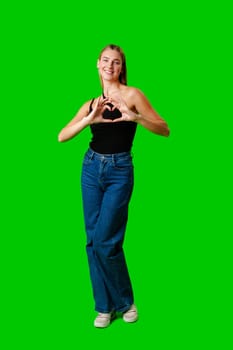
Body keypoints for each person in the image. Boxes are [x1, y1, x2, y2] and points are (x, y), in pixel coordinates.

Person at [58, 44, 170, 328]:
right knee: (93, 240)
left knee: (107, 240)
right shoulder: (92, 103)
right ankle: (104, 307)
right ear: (97, 64)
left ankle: (125, 302)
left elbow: (164, 128)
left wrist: (136, 118)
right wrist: (87, 120)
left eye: (116, 62)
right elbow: (62, 136)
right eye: (105, 60)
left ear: (122, 67)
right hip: (91, 168)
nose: (110, 65)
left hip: (119, 170)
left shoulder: (133, 95)